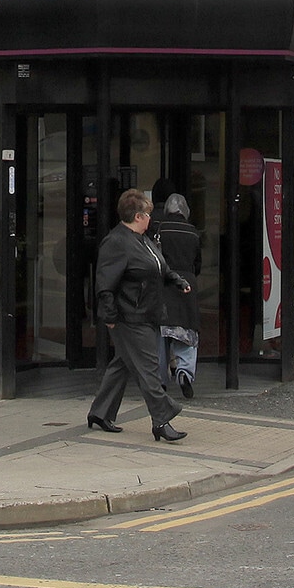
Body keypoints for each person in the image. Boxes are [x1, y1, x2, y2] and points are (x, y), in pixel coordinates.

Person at [87, 189, 190, 443]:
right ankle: (162, 420)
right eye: (147, 214)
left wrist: (177, 280)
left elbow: (159, 266)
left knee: (122, 364)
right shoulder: (117, 242)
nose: (150, 218)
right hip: (129, 317)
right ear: (136, 216)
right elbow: (105, 285)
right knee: (149, 370)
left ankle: (100, 413)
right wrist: (110, 316)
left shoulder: (142, 239)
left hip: (147, 313)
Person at [155, 191, 202, 398]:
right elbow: (197, 263)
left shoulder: (159, 229)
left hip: (163, 283)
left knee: (161, 333)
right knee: (187, 330)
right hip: (187, 284)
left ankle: (160, 380)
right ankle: (184, 372)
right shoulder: (193, 232)